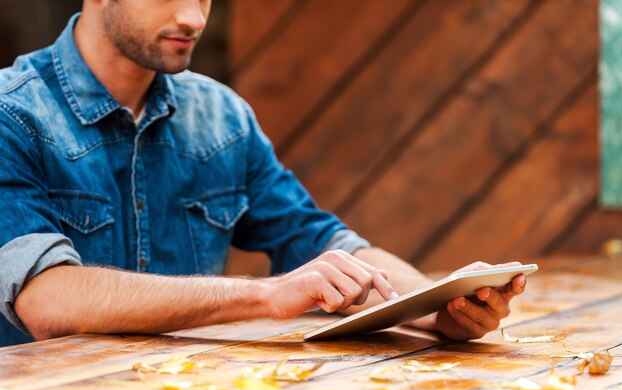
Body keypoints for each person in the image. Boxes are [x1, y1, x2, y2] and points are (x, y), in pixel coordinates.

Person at [0, 0, 525, 347]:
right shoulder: (12, 114)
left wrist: (438, 305)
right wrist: (265, 296)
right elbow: (46, 298)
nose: (193, 17)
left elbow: (321, 241)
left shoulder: (223, 119)